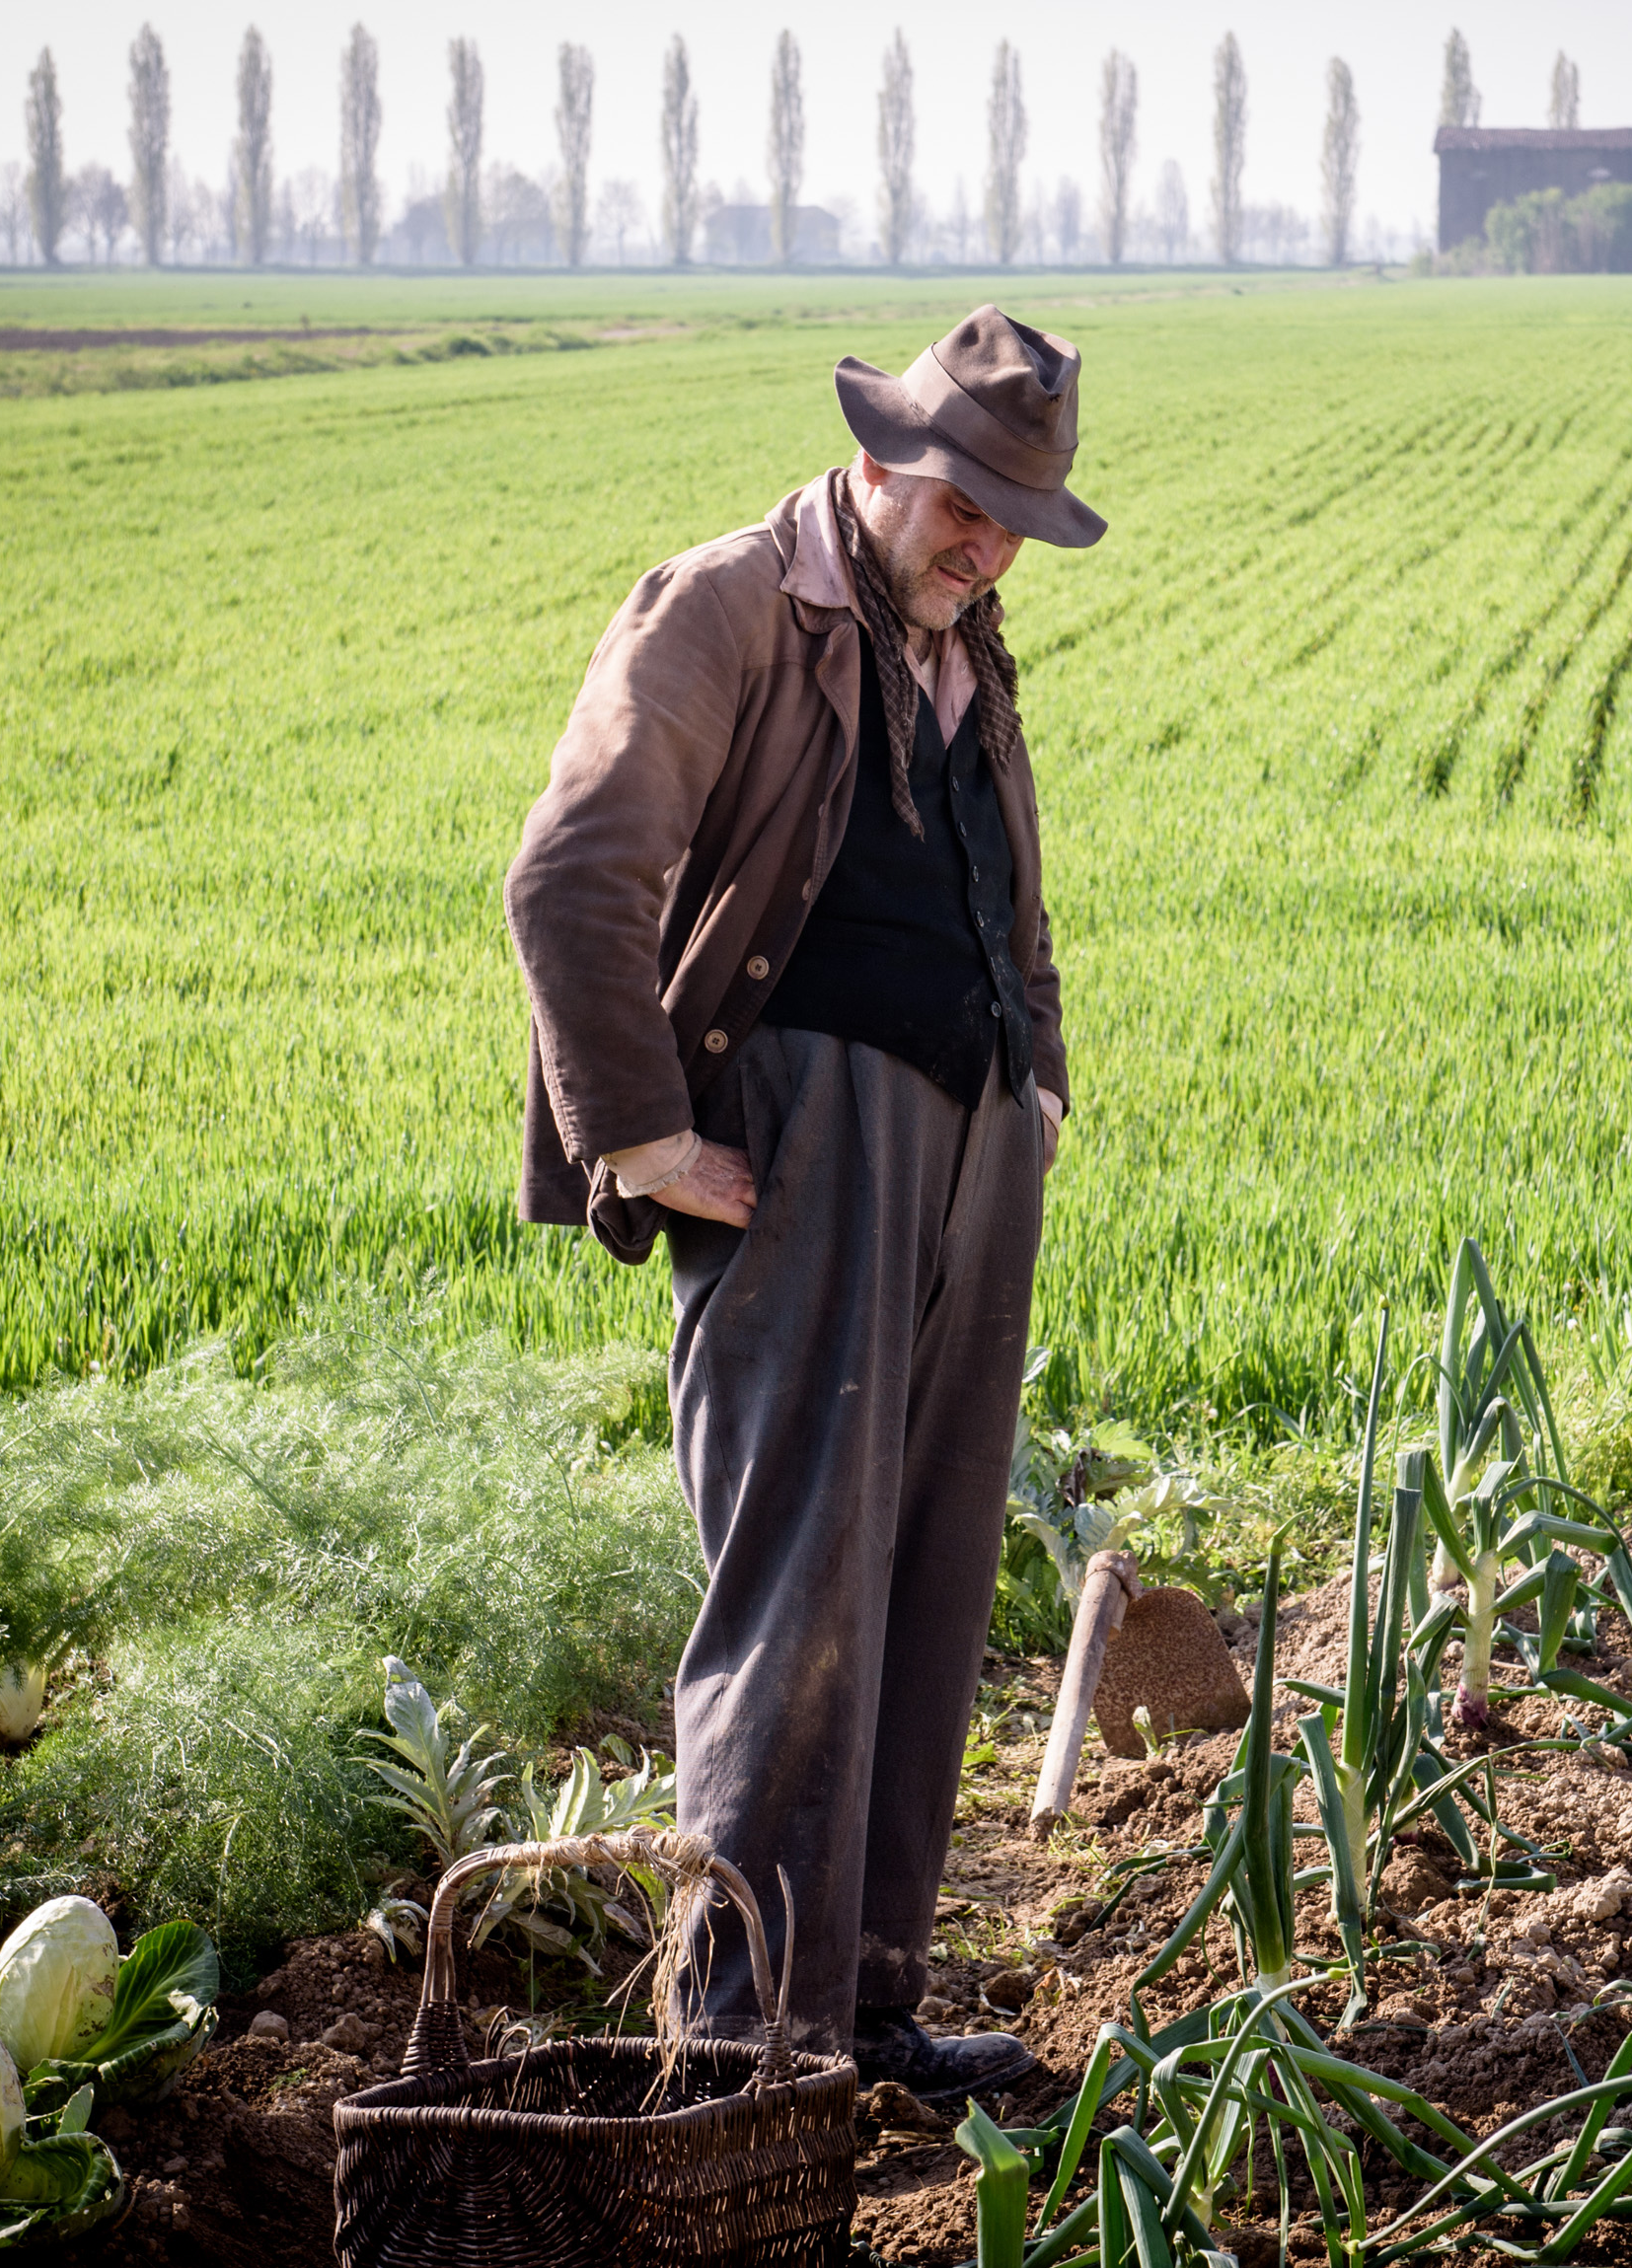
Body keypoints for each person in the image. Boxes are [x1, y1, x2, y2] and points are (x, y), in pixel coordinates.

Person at [502, 306, 1105, 2101]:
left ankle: (866, 2001)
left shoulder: (962, 638)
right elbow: (570, 869)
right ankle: (745, 2040)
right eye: (965, 500)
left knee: (926, 1570)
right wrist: (641, 1135)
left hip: (969, 1145)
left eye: (1016, 516)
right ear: (883, 459)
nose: (985, 540)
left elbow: (1009, 881)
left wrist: (1042, 1077)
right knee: (800, 1585)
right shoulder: (730, 603)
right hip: (805, 1141)